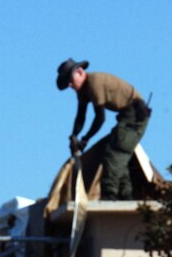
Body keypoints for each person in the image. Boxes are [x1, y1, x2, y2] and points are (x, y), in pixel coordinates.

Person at [56, 58, 151, 201]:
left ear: (80, 72)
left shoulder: (94, 83)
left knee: (115, 153)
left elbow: (100, 118)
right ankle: (125, 194)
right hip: (126, 115)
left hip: (135, 114)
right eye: (68, 83)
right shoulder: (83, 91)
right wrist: (74, 136)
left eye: (71, 80)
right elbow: (81, 116)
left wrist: (86, 139)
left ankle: (109, 194)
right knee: (117, 152)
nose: (70, 85)